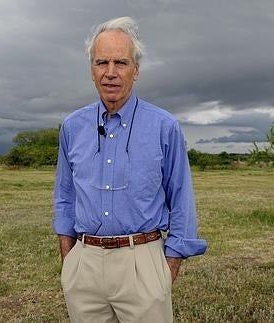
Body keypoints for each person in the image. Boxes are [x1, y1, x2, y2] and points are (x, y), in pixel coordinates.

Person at [53, 16, 207, 322]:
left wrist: (168, 267)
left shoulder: (165, 127)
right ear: (91, 70)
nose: (111, 72)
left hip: (143, 261)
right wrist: (70, 260)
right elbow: (64, 195)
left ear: (135, 70)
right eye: (102, 62)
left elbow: (181, 200)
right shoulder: (72, 127)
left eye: (121, 63)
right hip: (85, 265)